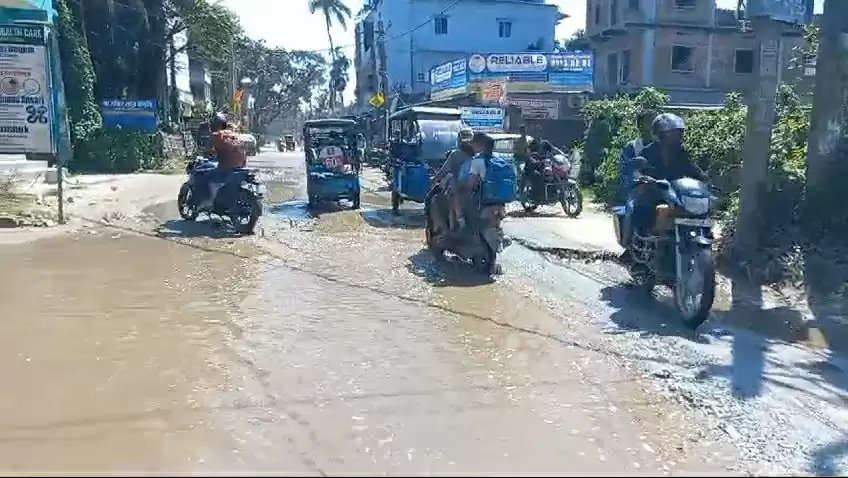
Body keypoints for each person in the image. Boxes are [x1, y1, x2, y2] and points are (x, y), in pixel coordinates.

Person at [627, 113, 708, 238]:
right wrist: (645, 177)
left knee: (700, 209)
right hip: (656, 192)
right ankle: (652, 236)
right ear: (660, 134)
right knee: (657, 208)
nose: (675, 136)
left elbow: (693, 169)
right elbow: (640, 168)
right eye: (671, 133)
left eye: (677, 132)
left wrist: (705, 181)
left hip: (677, 193)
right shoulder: (648, 151)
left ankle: (704, 235)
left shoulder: (681, 152)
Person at [434, 128, 474, 231]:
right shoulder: (478, 154)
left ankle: (456, 225)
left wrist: (434, 179)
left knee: (451, 200)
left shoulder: (455, 154)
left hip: (461, 187)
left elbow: (444, 171)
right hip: (476, 187)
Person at [204, 112, 246, 208]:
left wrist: (207, 152)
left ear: (214, 125)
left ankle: (211, 203)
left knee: (211, 181)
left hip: (228, 166)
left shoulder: (217, 135)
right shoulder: (233, 134)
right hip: (241, 165)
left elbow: (209, 149)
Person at [619, 109, 657, 200]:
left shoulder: (664, 145)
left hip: (661, 188)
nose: (651, 126)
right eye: (648, 122)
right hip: (639, 190)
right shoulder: (632, 146)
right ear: (639, 126)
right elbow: (624, 169)